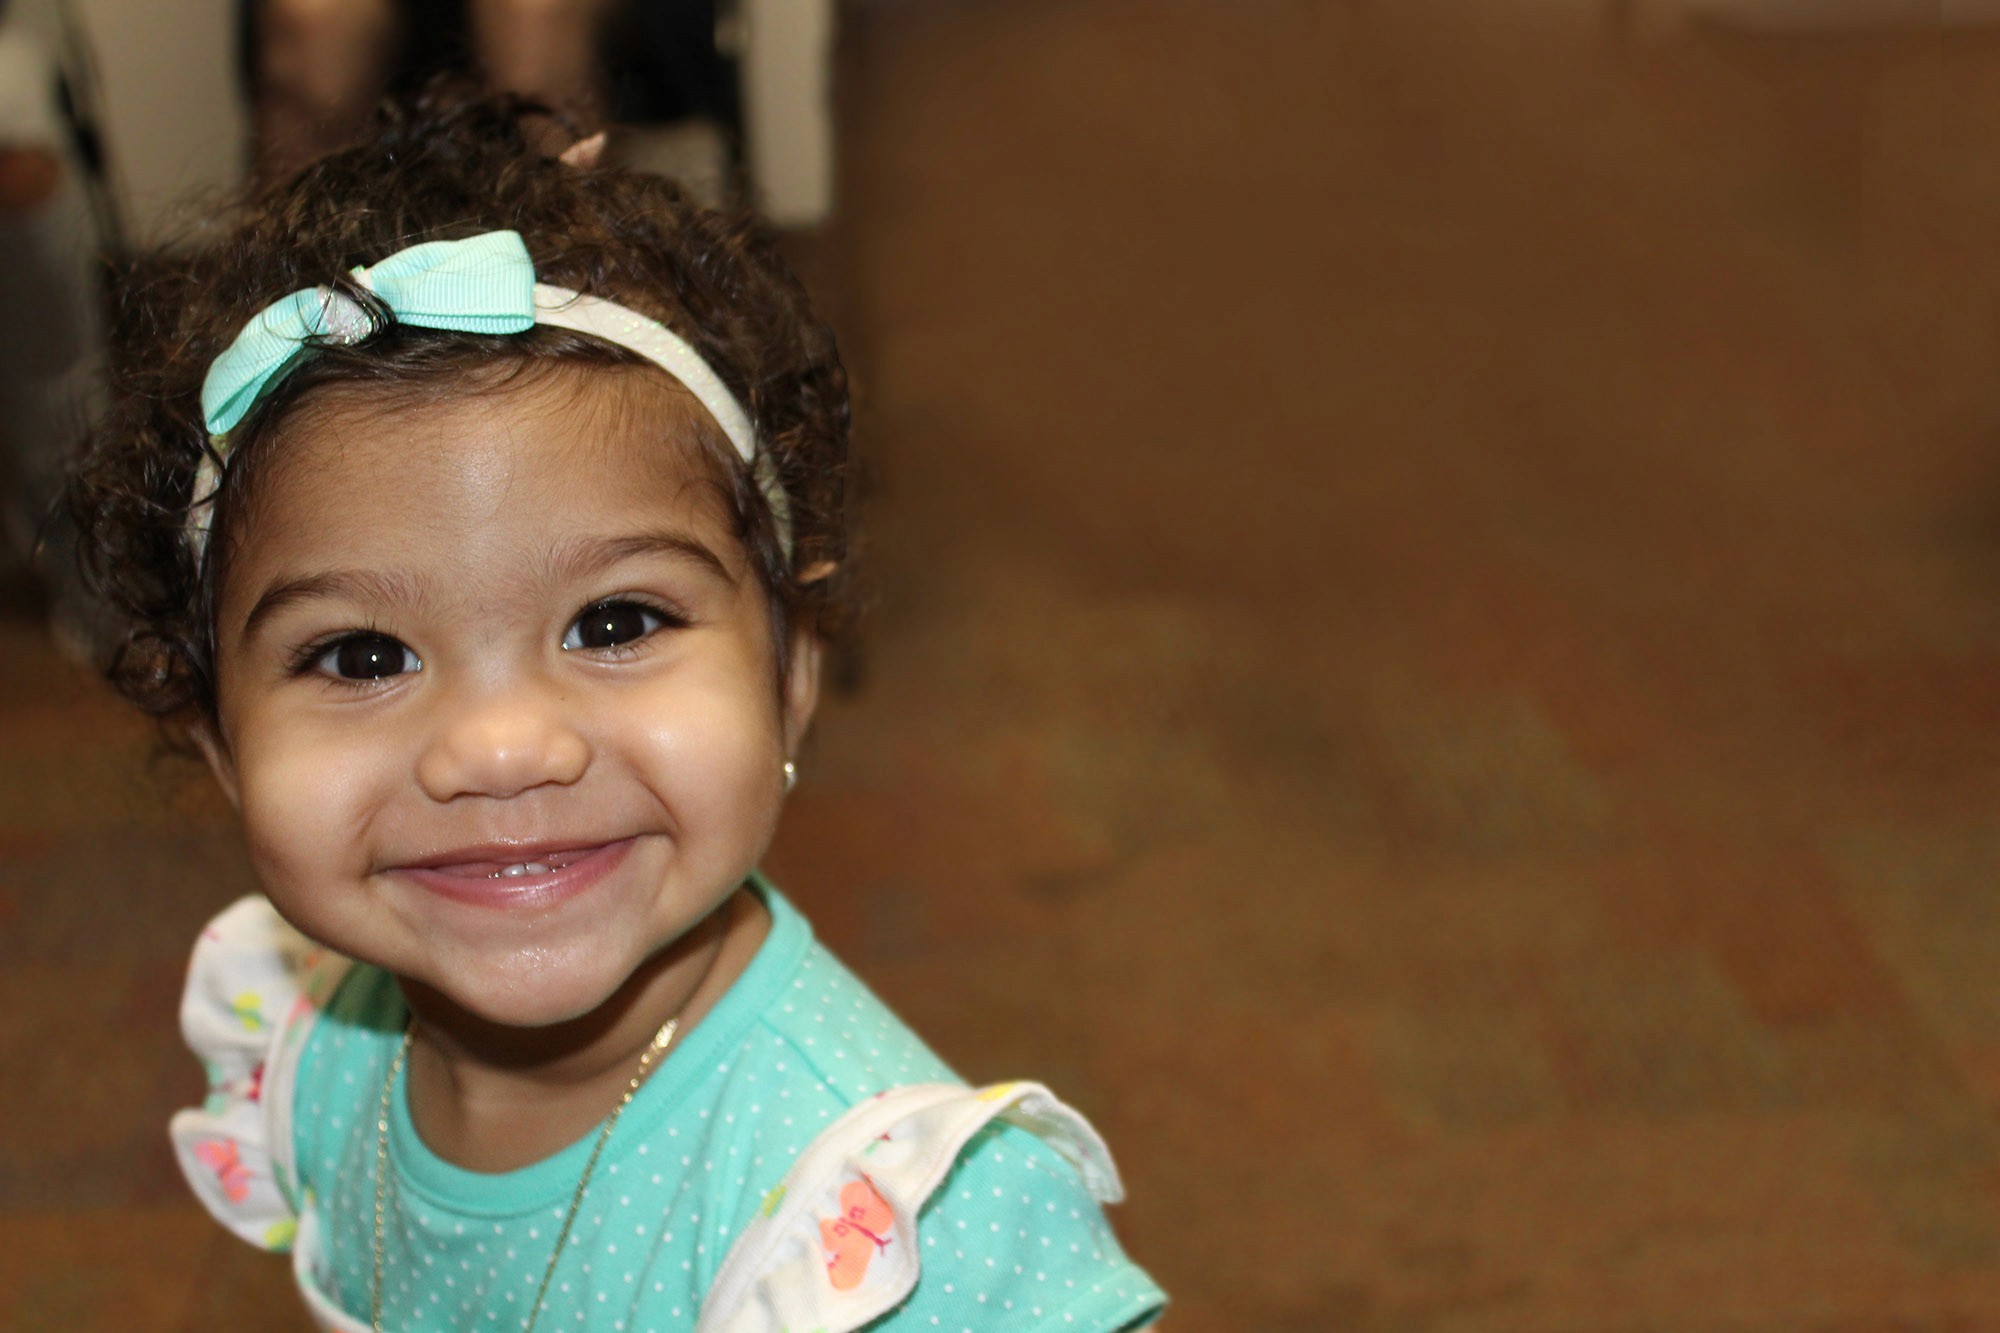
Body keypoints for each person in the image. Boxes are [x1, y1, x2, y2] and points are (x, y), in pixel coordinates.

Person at [66, 86, 1165, 1333]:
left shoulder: (906, 1241)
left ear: (790, 676)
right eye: (363, 655)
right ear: (220, 742)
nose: (499, 748)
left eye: (614, 622)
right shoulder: (319, 1049)